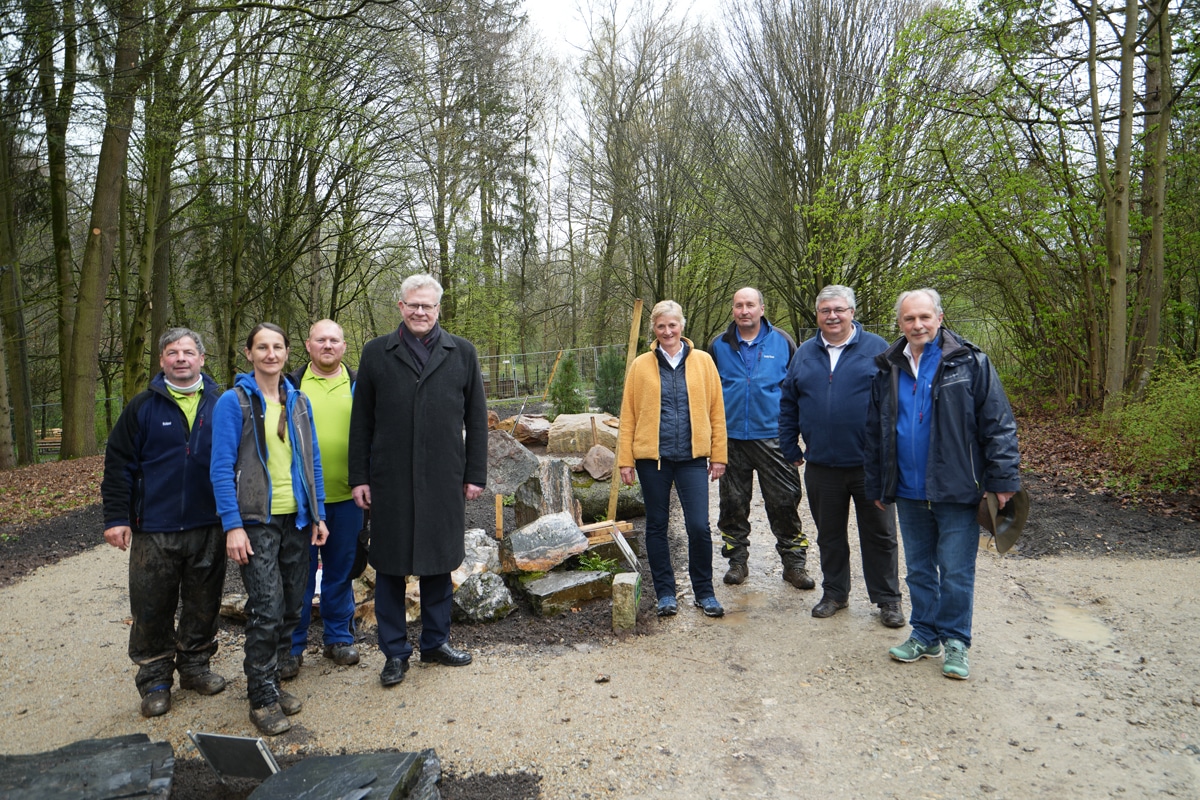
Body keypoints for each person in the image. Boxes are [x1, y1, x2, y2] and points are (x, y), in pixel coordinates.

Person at [864, 288, 1020, 680]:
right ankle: (925, 634)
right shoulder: (887, 367)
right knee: (918, 569)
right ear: (899, 323)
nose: (917, 325)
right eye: (909, 319)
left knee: (955, 571)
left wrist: (1003, 480)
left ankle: (956, 641)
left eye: (924, 317)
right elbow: (875, 432)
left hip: (958, 488)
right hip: (908, 489)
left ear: (939, 317)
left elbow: (998, 424)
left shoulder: (969, 362)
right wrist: (878, 485)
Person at [348, 274, 488, 689]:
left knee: (439, 563)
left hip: (443, 476)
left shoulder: (461, 352)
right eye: (413, 305)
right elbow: (362, 423)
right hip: (389, 479)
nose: (420, 312)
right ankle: (394, 653)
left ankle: (435, 642)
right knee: (390, 567)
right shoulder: (376, 353)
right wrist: (360, 477)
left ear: (438, 308)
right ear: (401, 307)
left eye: (427, 306)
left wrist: (474, 474)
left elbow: (477, 420)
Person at [101, 328, 227, 718]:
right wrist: (117, 518)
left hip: (210, 524)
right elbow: (118, 464)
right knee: (151, 605)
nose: (181, 358)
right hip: (154, 527)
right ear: (162, 361)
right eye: (172, 353)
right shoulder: (142, 407)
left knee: (203, 602)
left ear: (202, 359)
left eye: (189, 352)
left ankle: (194, 666)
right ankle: (155, 679)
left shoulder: (223, 404)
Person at [210, 322, 329, 735]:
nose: (271, 354)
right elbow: (221, 468)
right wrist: (232, 526)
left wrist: (318, 515)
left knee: (294, 605)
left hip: (296, 519)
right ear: (249, 353)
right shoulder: (233, 402)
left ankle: (274, 682)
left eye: (278, 346)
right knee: (266, 607)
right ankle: (260, 698)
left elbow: (311, 461)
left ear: (287, 351)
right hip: (255, 522)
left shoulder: (298, 401)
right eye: (262, 347)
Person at [779, 286, 904, 626]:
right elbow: (789, 402)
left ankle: (888, 599)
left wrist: (892, 453)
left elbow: (897, 403)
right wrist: (790, 445)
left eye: (839, 309)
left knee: (880, 535)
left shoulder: (878, 349)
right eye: (825, 311)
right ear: (817, 315)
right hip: (822, 466)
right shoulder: (804, 353)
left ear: (852, 312)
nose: (832, 316)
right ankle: (835, 592)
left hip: (870, 466)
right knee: (830, 535)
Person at [618, 300, 729, 618]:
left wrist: (718, 454)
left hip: (693, 459)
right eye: (660, 326)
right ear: (653, 329)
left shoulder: (704, 363)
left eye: (672, 325)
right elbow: (628, 415)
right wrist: (625, 459)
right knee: (656, 526)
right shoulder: (640, 366)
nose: (667, 331)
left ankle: (704, 592)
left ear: (682, 325)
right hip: (653, 461)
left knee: (699, 526)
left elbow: (716, 411)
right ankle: (666, 594)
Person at [708, 287, 812, 590]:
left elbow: (797, 392)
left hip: (774, 438)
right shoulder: (718, 346)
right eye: (738, 305)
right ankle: (737, 562)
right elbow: (709, 395)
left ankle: (794, 564)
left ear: (762, 308)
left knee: (784, 503)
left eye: (750, 305)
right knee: (732, 505)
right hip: (731, 440)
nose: (744, 311)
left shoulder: (783, 342)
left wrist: (796, 436)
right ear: (733, 310)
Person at [283, 319, 362, 676]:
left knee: (340, 571)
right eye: (320, 340)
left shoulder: (359, 384)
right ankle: (293, 646)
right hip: (301, 501)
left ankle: (338, 638)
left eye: (334, 340)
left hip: (348, 496)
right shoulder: (291, 385)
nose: (327, 345)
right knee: (298, 573)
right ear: (308, 345)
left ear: (344, 346)